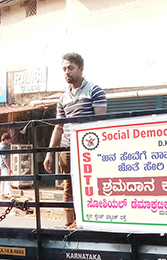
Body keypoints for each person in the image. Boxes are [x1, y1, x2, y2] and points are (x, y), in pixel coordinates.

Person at [44, 52, 107, 226]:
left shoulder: (95, 91)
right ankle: (68, 226)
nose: (66, 72)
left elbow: (99, 123)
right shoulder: (63, 98)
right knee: (68, 186)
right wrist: (49, 153)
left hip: (88, 149)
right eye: (64, 69)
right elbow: (59, 126)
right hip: (67, 148)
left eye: (70, 68)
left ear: (81, 69)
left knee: (88, 185)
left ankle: (85, 224)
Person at [0, 133, 12, 199]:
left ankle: (2, 194)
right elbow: (4, 158)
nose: (9, 141)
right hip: (4, 166)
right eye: (8, 140)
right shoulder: (3, 147)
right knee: (8, 180)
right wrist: (8, 167)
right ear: (6, 140)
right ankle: (11, 194)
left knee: (3, 180)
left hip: (1, 165)